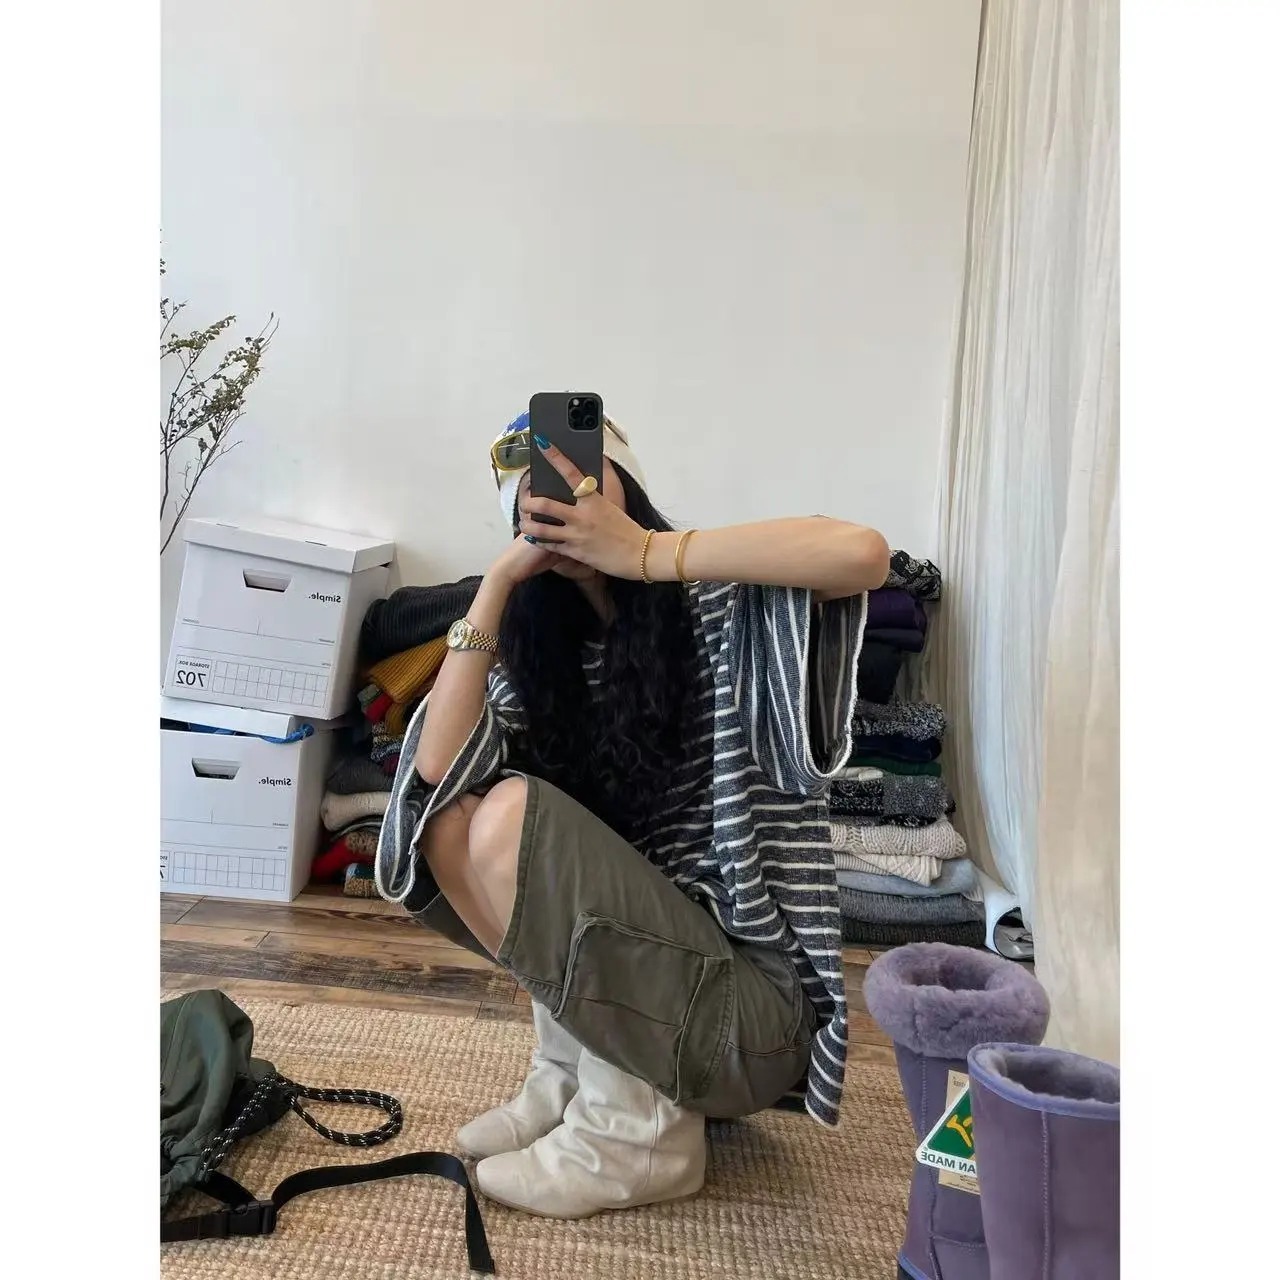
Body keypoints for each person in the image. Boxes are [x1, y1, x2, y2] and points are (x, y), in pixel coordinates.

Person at [376, 412, 890, 1218]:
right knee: (450, 823)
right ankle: (569, 1077)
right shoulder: (544, 660)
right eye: (534, 488)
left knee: (510, 815)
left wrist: (647, 554)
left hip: (753, 1026)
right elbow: (437, 772)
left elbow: (862, 554)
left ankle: (637, 1134)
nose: (561, 495)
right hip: (672, 1013)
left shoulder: (715, 606)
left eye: (583, 473)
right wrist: (496, 586)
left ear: (629, 488)